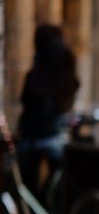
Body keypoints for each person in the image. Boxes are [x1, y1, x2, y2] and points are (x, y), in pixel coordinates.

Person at [16, 23, 79, 199]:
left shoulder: (37, 72)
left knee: (29, 186)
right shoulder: (65, 68)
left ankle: (36, 212)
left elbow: (25, 101)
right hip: (52, 138)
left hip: (32, 138)